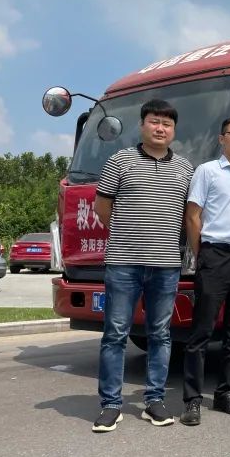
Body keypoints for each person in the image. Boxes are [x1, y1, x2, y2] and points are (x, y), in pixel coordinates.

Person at [91, 99, 194, 433]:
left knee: (160, 334)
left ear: (174, 130)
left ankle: (154, 400)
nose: (160, 128)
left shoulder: (185, 168)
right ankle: (111, 404)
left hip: (166, 265)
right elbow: (102, 208)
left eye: (167, 124)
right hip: (123, 263)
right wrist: (128, 236)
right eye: (154, 121)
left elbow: (189, 215)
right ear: (142, 125)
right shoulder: (120, 161)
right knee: (115, 333)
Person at [179, 116, 230, 425]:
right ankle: (192, 400)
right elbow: (193, 216)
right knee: (201, 331)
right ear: (221, 139)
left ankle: (225, 393)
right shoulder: (207, 171)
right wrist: (202, 254)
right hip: (215, 256)